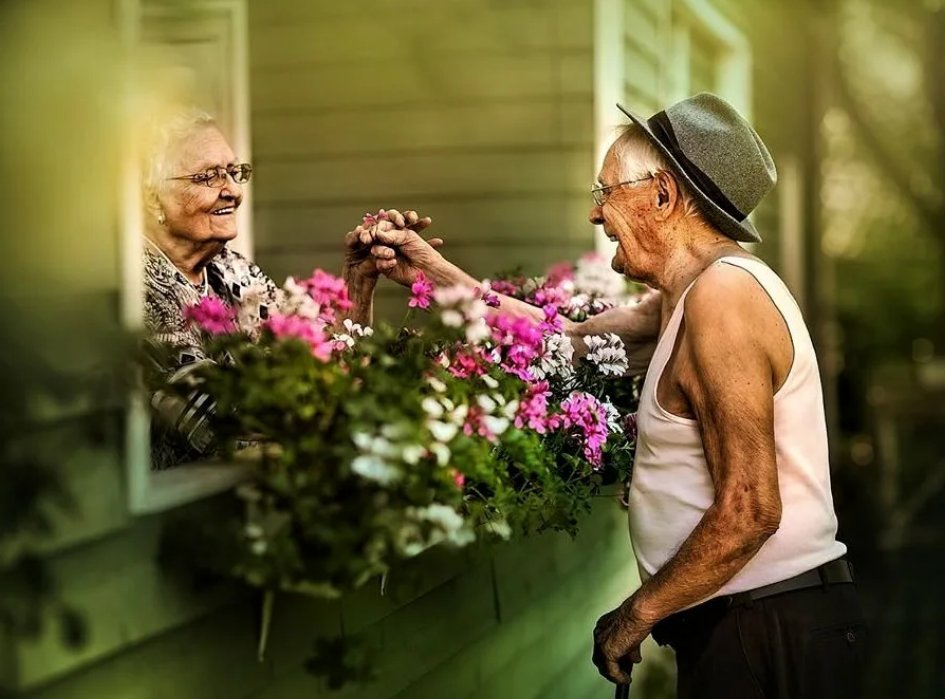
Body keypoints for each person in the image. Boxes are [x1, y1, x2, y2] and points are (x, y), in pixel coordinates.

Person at [361, 93, 867, 698]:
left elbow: (751, 509)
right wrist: (428, 273)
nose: (595, 216)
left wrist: (635, 614)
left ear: (662, 195)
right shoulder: (689, 295)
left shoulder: (724, 300)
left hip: (766, 627)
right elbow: (560, 340)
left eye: (605, 192)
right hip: (747, 622)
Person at [141, 109, 406, 467]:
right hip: (182, 510)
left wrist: (358, 285)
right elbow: (225, 413)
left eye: (234, 173)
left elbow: (320, 361)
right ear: (154, 198)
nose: (233, 191)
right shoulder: (137, 287)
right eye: (209, 177)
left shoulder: (230, 269)